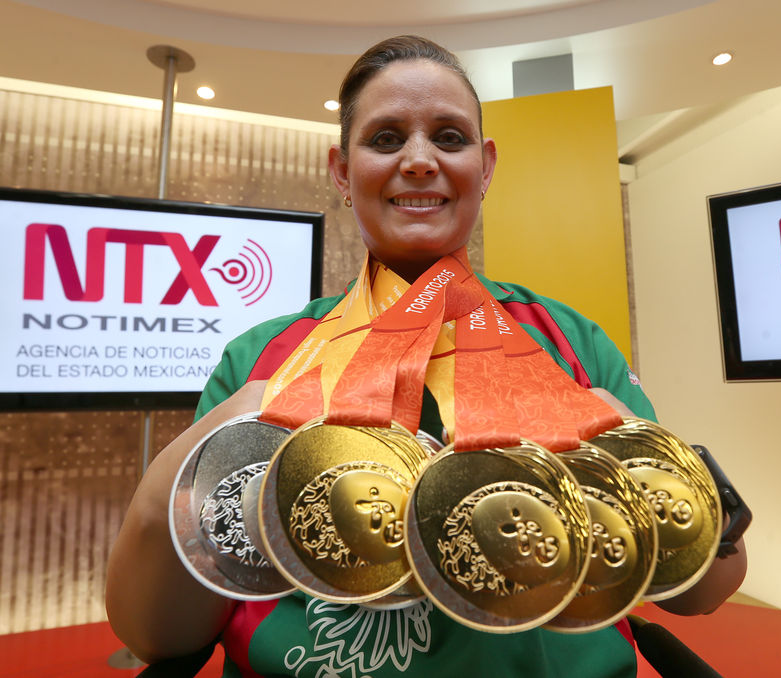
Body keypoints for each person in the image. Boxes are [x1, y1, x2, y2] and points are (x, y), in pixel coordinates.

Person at [105, 35, 746, 677]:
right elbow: (159, 636)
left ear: (485, 167)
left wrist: (659, 468)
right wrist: (205, 452)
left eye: (449, 137)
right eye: (386, 139)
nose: (418, 160)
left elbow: (703, 591)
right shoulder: (263, 359)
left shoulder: (569, 342)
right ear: (341, 171)